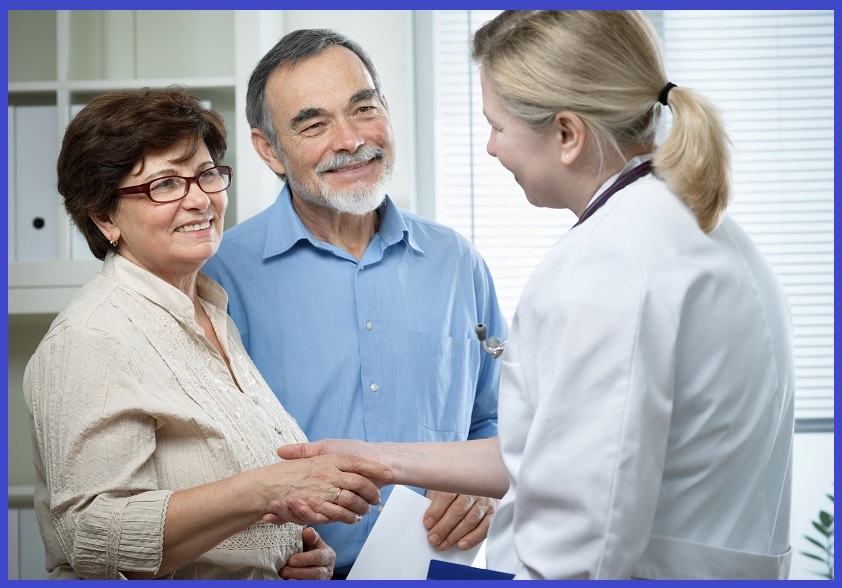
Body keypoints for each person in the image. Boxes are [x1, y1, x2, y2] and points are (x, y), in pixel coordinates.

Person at [276, 10, 796, 580]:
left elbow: (579, 540)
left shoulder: (606, 265)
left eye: (497, 124)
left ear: (567, 135)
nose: (492, 147)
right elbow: (553, 448)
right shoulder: (700, 227)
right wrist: (380, 459)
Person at [23, 87, 393, 580]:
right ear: (104, 216)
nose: (200, 200)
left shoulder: (212, 312)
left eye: (206, 175)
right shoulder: (91, 338)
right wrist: (269, 488)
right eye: (164, 185)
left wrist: (291, 552)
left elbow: (214, 503)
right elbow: (90, 535)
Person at [201, 29, 507, 576]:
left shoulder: (458, 262)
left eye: (364, 109)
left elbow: (496, 420)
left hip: (439, 572)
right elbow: (204, 461)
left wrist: (482, 492)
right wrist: (257, 548)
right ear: (269, 149)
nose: (350, 140)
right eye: (314, 124)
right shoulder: (219, 276)